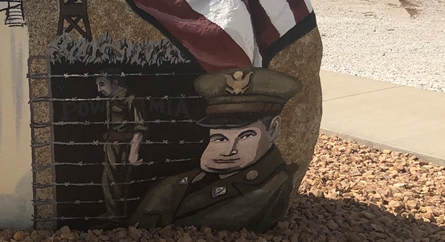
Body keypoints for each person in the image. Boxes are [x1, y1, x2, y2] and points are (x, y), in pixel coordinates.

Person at [130, 67, 302, 232]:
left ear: (272, 129)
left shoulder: (271, 189)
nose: (228, 151)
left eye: (245, 136)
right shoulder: (174, 184)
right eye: (220, 138)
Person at [96, 69, 146, 222]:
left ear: (115, 82)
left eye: (102, 84)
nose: (99, 89)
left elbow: (140, 126)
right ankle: (113, 214)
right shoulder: (110, 99)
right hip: (112, 144)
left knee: (123, 182)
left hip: (126, 145)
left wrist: (134, 152)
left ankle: (121, 217)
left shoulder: (130, 98)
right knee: (109, 181)